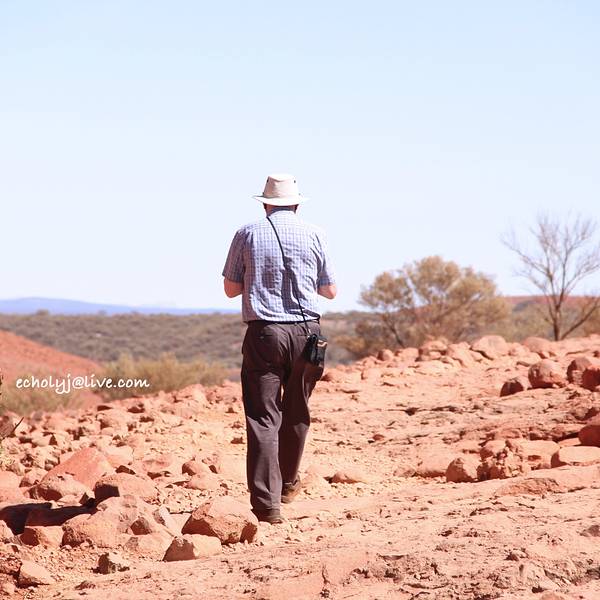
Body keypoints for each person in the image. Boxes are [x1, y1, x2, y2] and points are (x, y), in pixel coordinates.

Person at [222, 173, 337, 524]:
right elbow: (330, 291)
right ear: (297, 204)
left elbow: (230, 289)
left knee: (263, 417)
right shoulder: (316, 234)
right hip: (307, 334)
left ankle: (267, 505)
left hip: (266, 333)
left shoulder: (247, 233)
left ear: (266, 204)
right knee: (297, 412)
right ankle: (287, 483)